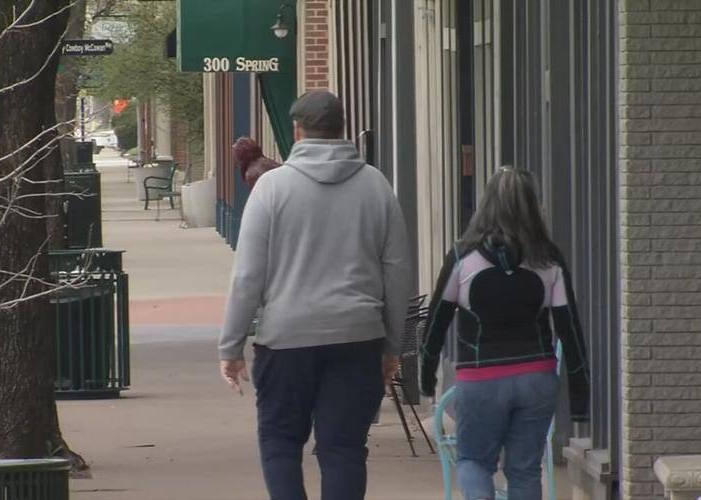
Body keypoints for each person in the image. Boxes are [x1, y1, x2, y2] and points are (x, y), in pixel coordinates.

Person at [218, 90, 412, 500]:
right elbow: (396, 272)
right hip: (358, 337)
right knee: (344, 449)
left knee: (281, 442)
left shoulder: (270, 188)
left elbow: (248, 274)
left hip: (285, 339)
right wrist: (393, 345)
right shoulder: (376, 186)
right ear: (342, 129)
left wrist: (231, 345)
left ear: (297, 130)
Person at [419, 166, 590, 500]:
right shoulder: (548, 258)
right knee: (524, 470)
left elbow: (436, 322)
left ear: (486, 204)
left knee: (474, 461)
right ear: (533, 206)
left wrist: (426, 377)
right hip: (536, 379)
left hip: (480, 379)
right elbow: (570, 329)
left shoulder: (462, 258)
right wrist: (580, 397)